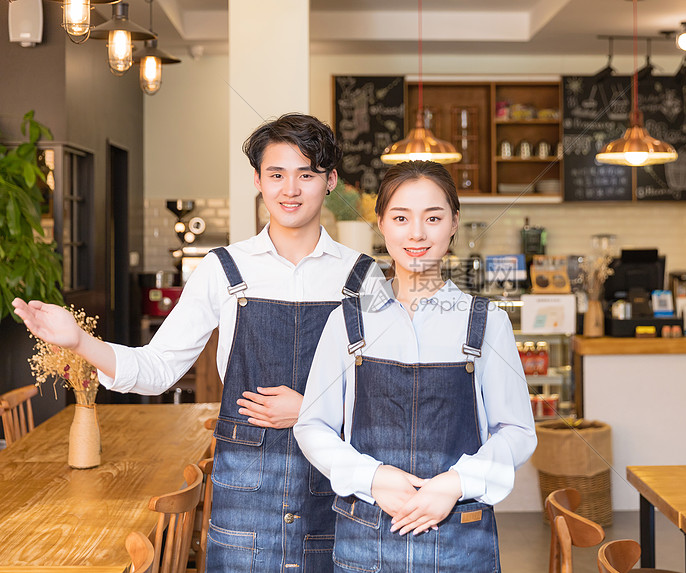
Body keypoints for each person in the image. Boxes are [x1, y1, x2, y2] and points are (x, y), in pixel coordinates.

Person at [12, 113, 383, 572]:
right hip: (244, 489)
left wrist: (310, 409)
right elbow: (158, 368)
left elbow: (386, 396)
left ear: (329, 182)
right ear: (258, 180)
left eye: (306, 174)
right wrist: (80, 342)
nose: (290, 189)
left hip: (336, 486)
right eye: (277, 174)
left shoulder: (362, 276)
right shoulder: (223, 269)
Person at [294, 160, 536, 572]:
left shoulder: (486, 321)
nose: (417, 233)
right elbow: (312, 425)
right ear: (381, 224)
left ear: (454, 223)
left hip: (461, 541)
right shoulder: (349, 319)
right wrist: (373, 477)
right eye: (401, 217)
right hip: (365, 541)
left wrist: (453, 485)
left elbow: (516, 432)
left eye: (434, 217)